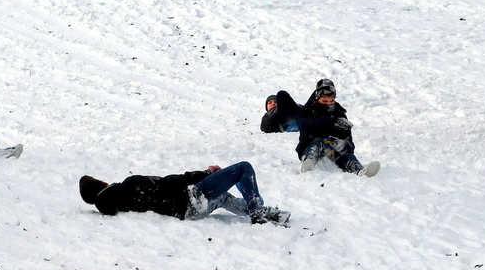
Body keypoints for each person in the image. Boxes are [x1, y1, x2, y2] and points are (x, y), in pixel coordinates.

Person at [78, 161, 289, 225]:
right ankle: (258, 212)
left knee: (223, 197)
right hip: (190, 200)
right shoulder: (129, 185)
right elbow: (169, 183)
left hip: (186, 210)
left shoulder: (117, 202)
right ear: (102, 183)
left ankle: (262, 212)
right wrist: (205, 173)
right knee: (243, 168)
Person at [295, 78, 379, 176]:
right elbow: (305, 127)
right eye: (324, 101)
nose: (328, 103)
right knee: (319, 143)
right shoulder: (308, 110)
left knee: (344, 156)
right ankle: (308, 165)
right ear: (317, 97)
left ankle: (359, 170)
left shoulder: (339, 113)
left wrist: (344, 145)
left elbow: (349, 141)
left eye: (331, 101)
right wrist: (330, 123)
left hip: (330, 152)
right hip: (310, 148)